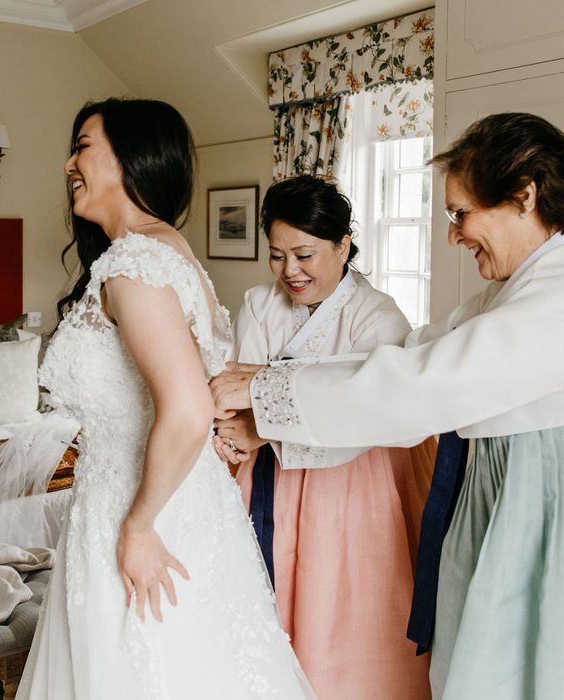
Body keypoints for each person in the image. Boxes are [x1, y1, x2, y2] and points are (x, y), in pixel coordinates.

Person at [210, 112, 564, 700]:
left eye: (461, 213)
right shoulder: (513, 288)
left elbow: (423, 385)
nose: (453, 234)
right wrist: (265, 388)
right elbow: (413, 352)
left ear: (523, 196)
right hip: (494, 494)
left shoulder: (555, 297)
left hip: (539, 501)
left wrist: (266, 389)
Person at [16, 97, 316, 699]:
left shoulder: (135, 265)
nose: (69, 163)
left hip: (141, 508)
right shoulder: (165, 252)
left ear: (130, 157)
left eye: (82, 146)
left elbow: (185, 409)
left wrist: (140, 527)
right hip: (173, 498)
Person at [212, 174, 434, 699]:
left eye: (305, 255)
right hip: (266, 477)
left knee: (339, 605)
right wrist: (234, 432)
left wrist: (263, 421)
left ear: (342, 246)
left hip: (350, 478)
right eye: (277, 255)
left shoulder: (375, 317)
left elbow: (368, 412)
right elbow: (236, 388)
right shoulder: (261, 305)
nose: (290, 271)